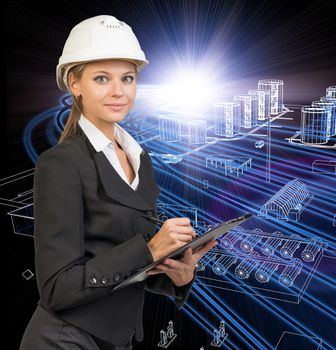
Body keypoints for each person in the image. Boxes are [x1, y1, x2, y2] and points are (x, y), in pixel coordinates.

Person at [20, 15, 217, 350]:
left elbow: (129, 266)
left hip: (116, 338)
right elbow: (56, 289)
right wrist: (151, 248)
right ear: (75, 83)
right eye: (101, 78)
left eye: (127, 78)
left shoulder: (140, 159)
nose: (118, 91)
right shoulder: (61, 164)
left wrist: (178, 276)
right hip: (63, 338)